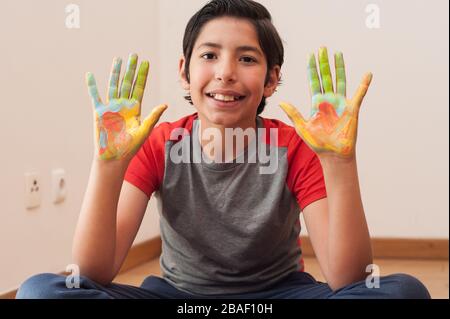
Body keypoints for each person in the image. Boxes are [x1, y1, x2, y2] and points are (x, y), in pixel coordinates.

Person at [16, 0, 430, 299]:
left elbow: (348, 279)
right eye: (209, 55)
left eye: (247, 59)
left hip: (278, 296)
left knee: (403, 292)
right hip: (178, 298)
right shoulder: (159, 144)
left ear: (271, 80)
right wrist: (107, 165)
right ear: (185, 71)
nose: (226, 73)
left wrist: (340, 161)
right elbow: (94, 271)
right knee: (41, 291)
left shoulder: (294, 147)